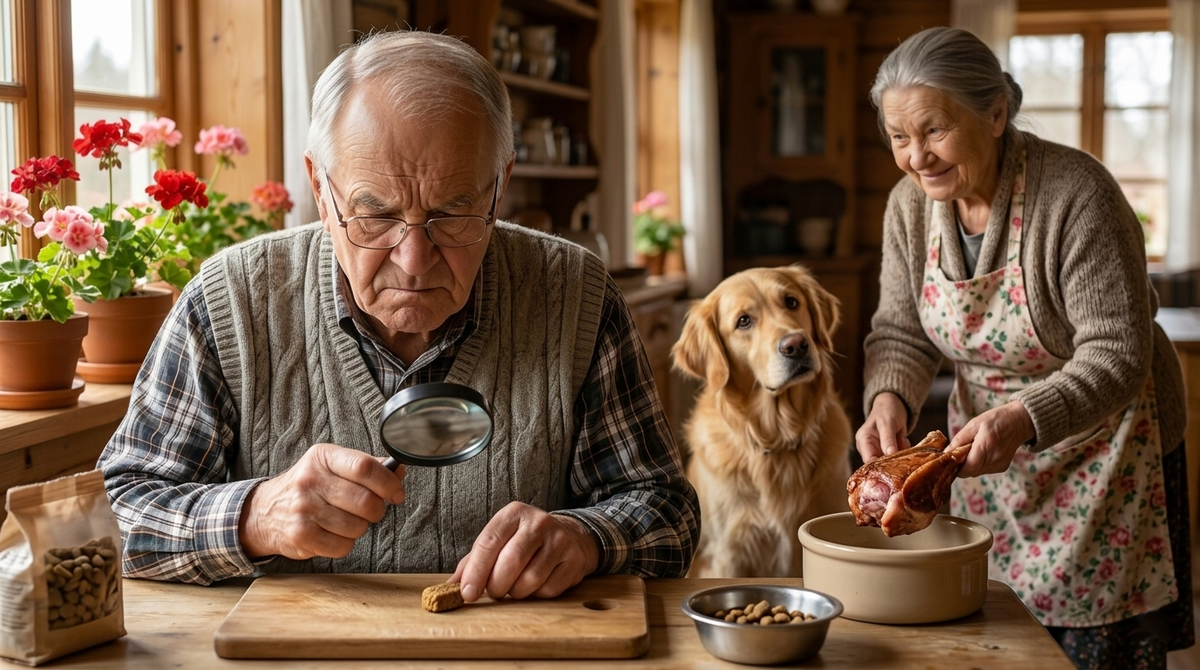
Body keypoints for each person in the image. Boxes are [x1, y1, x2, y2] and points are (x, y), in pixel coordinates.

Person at [97, 30, 700, 604]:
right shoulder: (232, 301)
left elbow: (667, 514)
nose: (413, 261)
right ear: (320, 188)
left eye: (452, 214)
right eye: (376, 215)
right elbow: (111, 516)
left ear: (500, 187)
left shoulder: (576, 296)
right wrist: (255, 517)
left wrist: (586, 539)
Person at [856, 26, 1193, 668]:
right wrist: (888, 398)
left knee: (1100, 653)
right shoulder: (907, 207)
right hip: (987, 455)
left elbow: (1117, 352)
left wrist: (1021, 418)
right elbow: (900, 329)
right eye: (898, 137)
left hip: (1110, 447)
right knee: (995, 639)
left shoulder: (1077, 194)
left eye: (933, 130)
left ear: (995, 113)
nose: (916, 157)